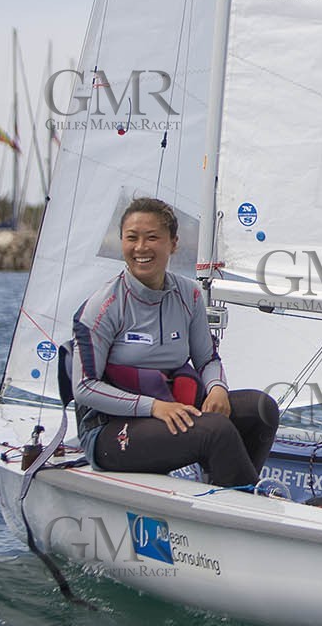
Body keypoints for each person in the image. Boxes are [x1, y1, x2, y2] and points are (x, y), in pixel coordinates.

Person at [70, 196, 279, 487]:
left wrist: (217, 388)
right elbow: (84, 388)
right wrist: (153, 407)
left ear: (173, 243)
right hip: (108, 431)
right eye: (132, 238)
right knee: (215, 430)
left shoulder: (189, 295)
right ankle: (249, 508)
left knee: (261, 409)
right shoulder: (103, 306)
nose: (141, 248)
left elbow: (207, 360)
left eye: (152, 237)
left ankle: (228, 494)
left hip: (171, 410)